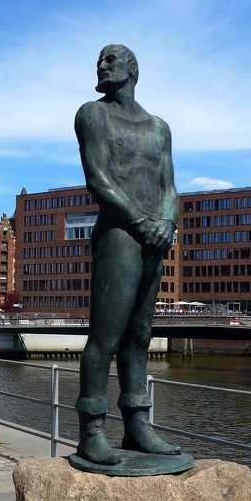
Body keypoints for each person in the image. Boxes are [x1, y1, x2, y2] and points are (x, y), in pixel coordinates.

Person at [75, 44, 180, 465]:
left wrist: (167, 224)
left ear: (132, 68)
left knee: (139, 336)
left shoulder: (159, 127)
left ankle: (137, 425)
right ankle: (92, 430)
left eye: (110, 59)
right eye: (99, 59)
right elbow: (98, 179)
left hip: (154, 236)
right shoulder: (92, 114)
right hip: (119, 234)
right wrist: (141, 222)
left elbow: (169, 185)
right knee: (106, 336)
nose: (101, 64)